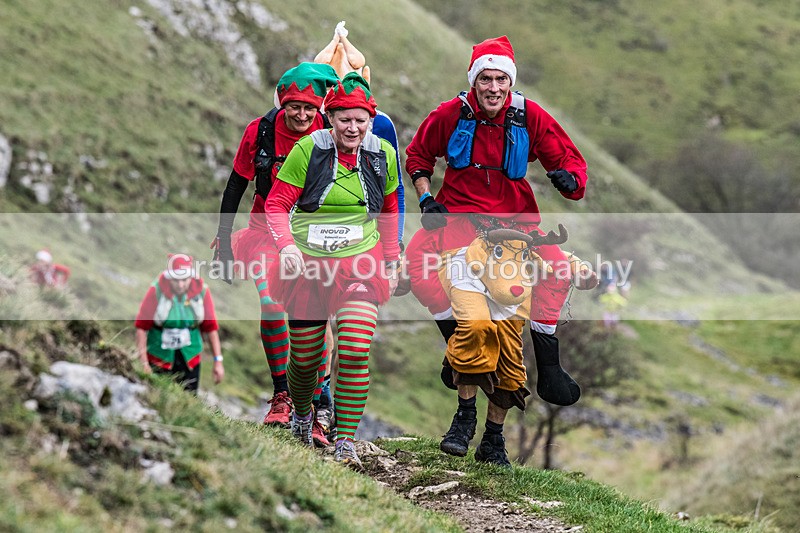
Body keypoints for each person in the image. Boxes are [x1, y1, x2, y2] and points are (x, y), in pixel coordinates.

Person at [404, 36, 589, 465]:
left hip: (517, 230)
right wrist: (426, 198)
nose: (492, 87)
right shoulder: (451, 113)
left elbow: (573, 168)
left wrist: (567, 180)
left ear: (510, 82)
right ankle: (459, 369)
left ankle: (535, 379)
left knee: (548, 285)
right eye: (484, 78)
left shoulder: (529, 116)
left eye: (500, 79)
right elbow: (417, 156)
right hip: (459, 224)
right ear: (474, 80)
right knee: (420, 267)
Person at [265, 72, 400, 469]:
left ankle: (345, 441)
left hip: (361, 261)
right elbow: (276, 204)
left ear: (371, 121)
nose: (352, 128)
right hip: (307, 262)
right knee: (306, 361)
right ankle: (304, 415)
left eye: (360, 120)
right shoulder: (308, 150)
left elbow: (390, 212)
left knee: (356, 349)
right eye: (344, 119)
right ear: (331, 118)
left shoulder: (382, 154)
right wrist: (286, 246)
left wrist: (392, 261)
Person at [211, 63, 340, 441]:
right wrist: (223, 239)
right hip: (264, 232)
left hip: (315, 235)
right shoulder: (261, 130)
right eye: (294, 107)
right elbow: (235, 185)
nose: (301, 115)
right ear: (282, 103)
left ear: (320, 109)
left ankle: (318, 401)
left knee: (315, 318)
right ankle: (282, 394)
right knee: (271, 303)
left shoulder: (328, 133)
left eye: (309, 108)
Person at [135, 254, 223, 394]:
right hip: (159, 356)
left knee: (189, 399)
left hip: (190, 357)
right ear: (170, 277)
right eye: (176, 280)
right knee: (158, 396)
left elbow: (210, 328)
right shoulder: (156, 290)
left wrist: (218, 361)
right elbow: (141, 327)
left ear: (191, 277)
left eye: (184, 280)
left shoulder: (202, 292)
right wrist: (144, 363)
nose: (180, 285)